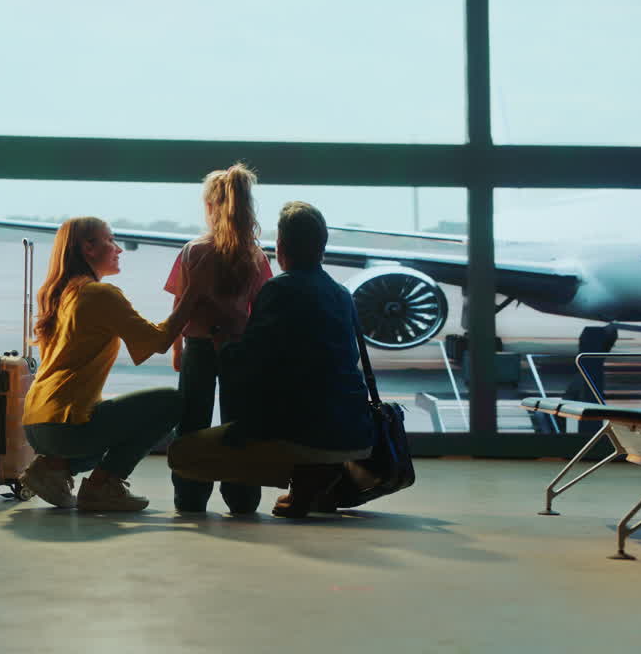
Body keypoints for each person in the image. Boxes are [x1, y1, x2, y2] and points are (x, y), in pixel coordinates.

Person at [167, 201, 375, 518]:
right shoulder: (341, 294)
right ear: (322, 247)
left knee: (185, 452)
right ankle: (312, 482)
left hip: (307, 431)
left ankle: (304, 478)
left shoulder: (280, 290)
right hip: (354, 431)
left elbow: (247, 363)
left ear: (280, 247)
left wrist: (219, 333)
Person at [20, 216, 208, 512]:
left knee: (120, 417)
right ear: (89, 248)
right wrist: (191, 294)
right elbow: (157, 340)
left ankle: (53, 466)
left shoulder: (65, 293)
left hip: (37, 423)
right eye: (110, 240)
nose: (119, 249)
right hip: (65, 427)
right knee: (170, 404)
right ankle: (102, 485)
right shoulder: (100, 294)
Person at [163, 163, 273, 514]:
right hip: (239, 349)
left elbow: (180, 305)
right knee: (239, 423)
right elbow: (263, 309)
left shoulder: (194, 251)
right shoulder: (255, 256)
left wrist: (178, 348)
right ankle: (243, 497)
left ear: (210, 206)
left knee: (192, 424)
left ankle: (191, 496)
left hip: (199, 346)